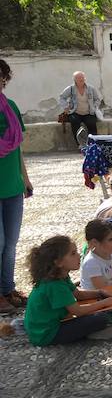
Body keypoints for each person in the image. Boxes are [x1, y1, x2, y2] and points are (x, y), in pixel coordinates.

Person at [24, 235, 112, 345]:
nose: (79, 256)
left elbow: (78, 294)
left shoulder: (61, 275)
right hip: (47, 334)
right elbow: (77, 311)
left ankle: (90, 331)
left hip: (49, 325)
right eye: (73, 254)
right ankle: (90, 334)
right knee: (101, 318)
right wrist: (106, 302)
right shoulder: (54, 285)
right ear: (58, 262)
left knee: (98, 312)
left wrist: (100, 293)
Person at [0, 59, 31, 314]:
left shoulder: (10, 107)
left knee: (11, 243)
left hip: (12, 185)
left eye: (2, 77)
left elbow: (17, 146)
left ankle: (7, 288)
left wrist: (26, 178)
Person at [58, 71, 103, 145]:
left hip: (88, 112)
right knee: (75, 122)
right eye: (79, 78)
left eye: (83, 77)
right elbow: (62, 97)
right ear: (75, 79)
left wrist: (94, 106)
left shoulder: (90, 88)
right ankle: (80, 145)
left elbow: (97, 99)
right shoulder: (71, 88)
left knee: (91, 123)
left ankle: (94, 144)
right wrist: (66, 106)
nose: (81, 79)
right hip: (75, 112)